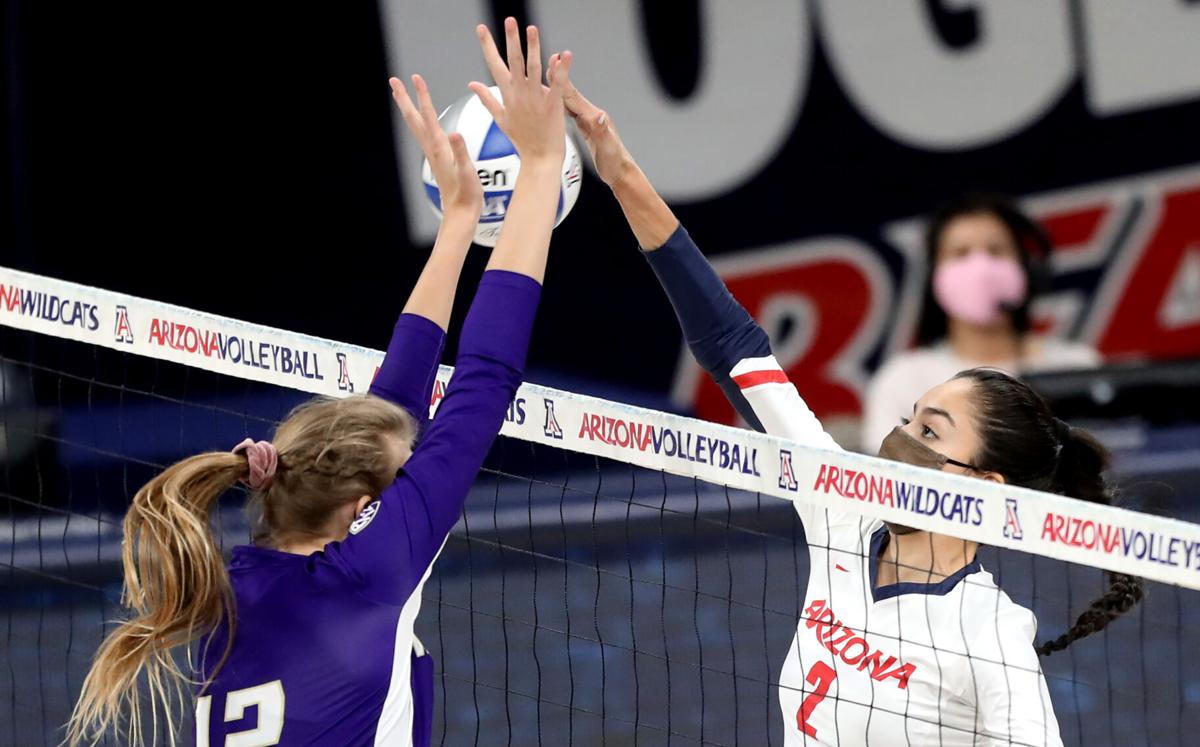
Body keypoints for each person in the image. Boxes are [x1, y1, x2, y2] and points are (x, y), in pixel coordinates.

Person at [548, 58, 1141, 745]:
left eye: (931, 432)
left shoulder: (991, 633)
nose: (899, 440)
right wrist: (619, 171)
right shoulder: (844, 512)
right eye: (908, 418)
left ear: (982, 485)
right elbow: (731, 346)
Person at [68, 19, 570, 746]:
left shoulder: (236, 590)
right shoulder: (365, 572)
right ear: (365, 510)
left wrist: (460, 223)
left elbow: (384, 418)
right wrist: (543, 165)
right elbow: (483, 380)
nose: (420, 478)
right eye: (407, 479)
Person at [863, 195, 1099, 450]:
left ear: (1026, 268)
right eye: (960, 253)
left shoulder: (1077, 366)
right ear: (935, 276)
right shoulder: (904, 378)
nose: (980, 267)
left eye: (996, 250)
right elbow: (887, 466)